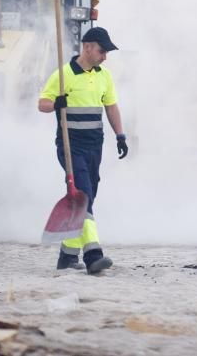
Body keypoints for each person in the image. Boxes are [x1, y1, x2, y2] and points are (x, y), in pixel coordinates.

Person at [38, 27, 129, 274]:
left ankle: (67, 257)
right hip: (70, 146)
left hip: (94, 146)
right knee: (84, 195)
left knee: (85, 200)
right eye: (102, 51)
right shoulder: (63, 74)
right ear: (87, 47)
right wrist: (58, 102)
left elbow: (111, 107)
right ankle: (93, 254)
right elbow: (42, 104)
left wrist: (120, 135)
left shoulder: (104, 76)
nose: (105, 56)